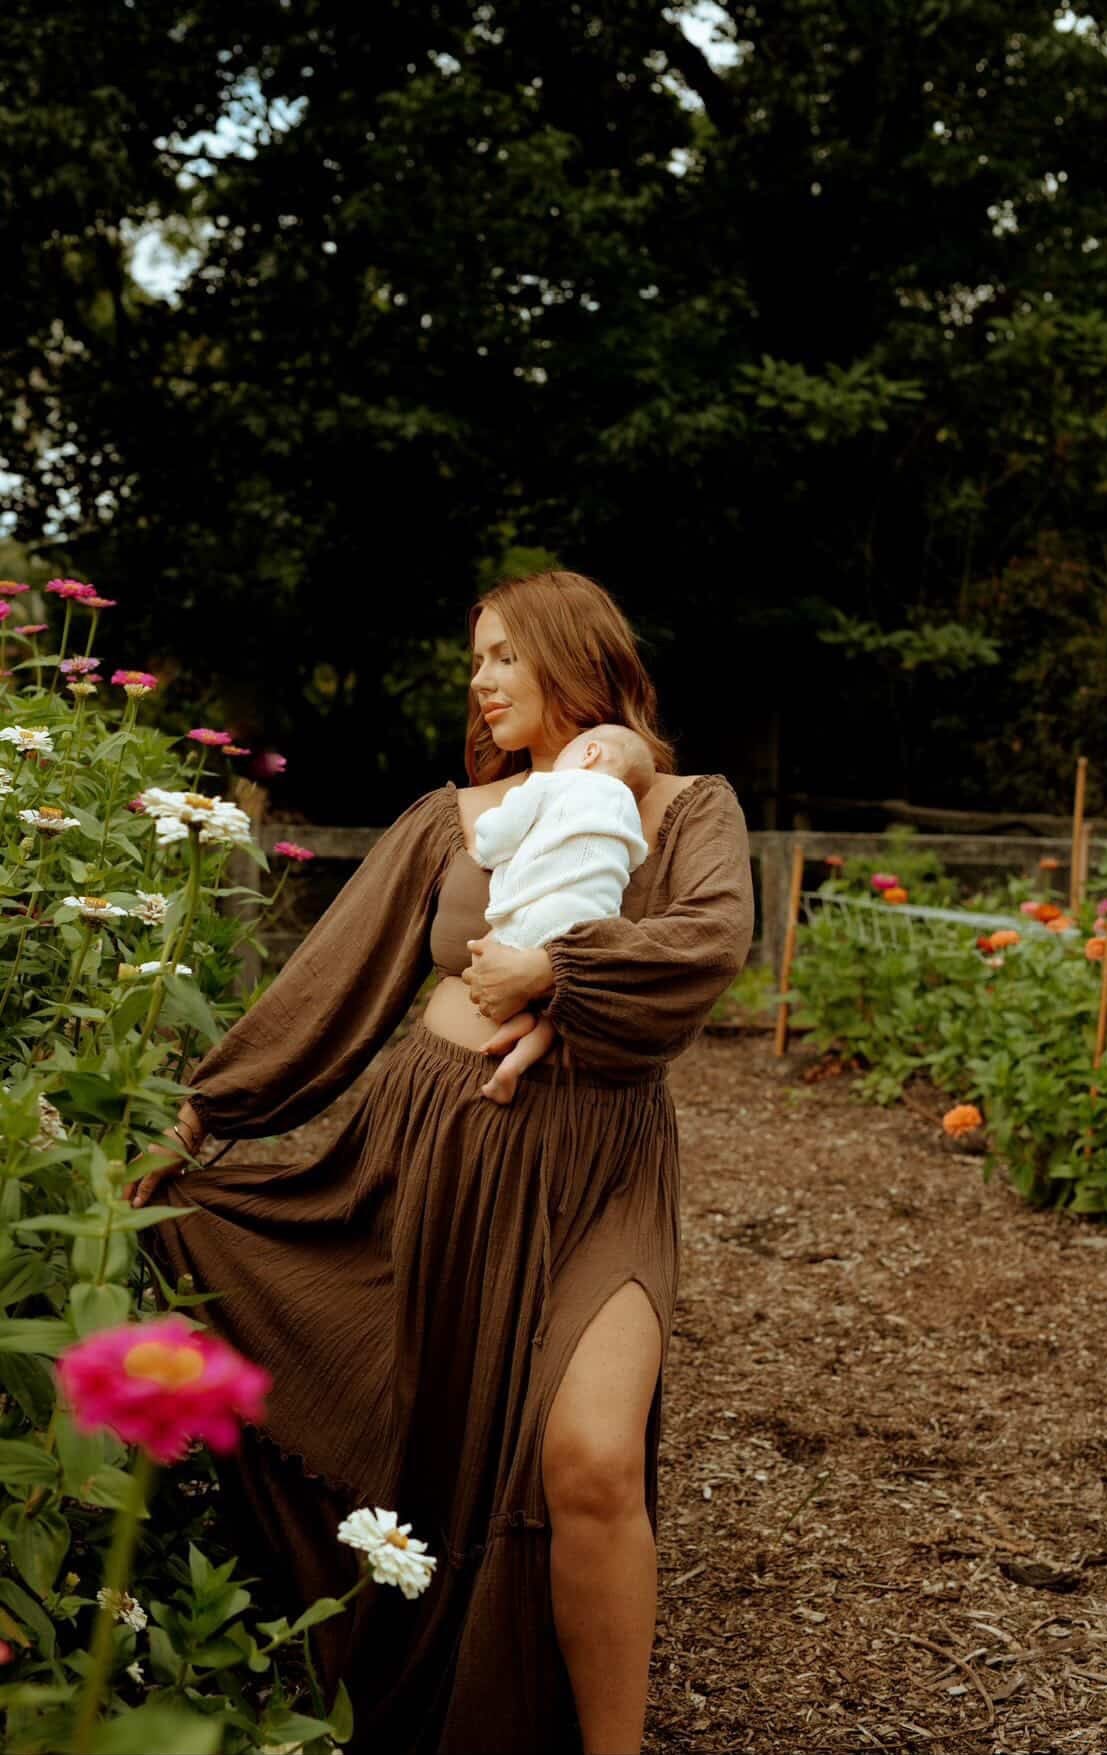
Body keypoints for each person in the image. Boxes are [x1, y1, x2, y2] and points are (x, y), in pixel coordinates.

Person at [132, 570, 754, 1755]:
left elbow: (708, 944)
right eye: (476, 658)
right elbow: (325, 993)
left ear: (576, 654)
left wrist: (557, 974)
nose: (481, 679)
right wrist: (197, 1125)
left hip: (598, 1167)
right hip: (426, 1159)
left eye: (506, 654)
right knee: (421, 1441)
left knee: (591, 1457)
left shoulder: (687, 808)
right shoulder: (452, 819)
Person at [473, 721, 655, 1105]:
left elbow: (501, 835)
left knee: (489, 948)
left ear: (590, 754)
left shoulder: (550, 784)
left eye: (566, 753)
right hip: (590, 931)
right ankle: (514, 1065)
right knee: (558, 1008)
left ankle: (511, 1017)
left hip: (539, 913)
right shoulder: (629, 812)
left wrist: (485, 837)